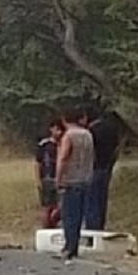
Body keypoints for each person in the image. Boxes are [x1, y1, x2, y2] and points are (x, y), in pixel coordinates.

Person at [54, 108, 95, 261]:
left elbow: (64, 157)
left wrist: (58, 178)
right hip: (85, 178)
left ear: (65, 120)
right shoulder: (88, 135)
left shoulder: (69, 136)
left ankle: (69, 247)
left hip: (71, 180)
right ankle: (74, 246)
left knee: (69, 215)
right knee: (79, 216)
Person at [83, 107, 121, 231]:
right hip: (106, 167)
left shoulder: (90, 131)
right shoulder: (111, 128)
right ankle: (100, 225)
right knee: (102, 198)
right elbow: (117, 148)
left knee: (91, 199)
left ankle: (92, 228)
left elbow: (89, 151)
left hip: (93, 168)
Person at [35, 119, 64, 228]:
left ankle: (54, 224)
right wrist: (38, 179)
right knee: (46, 206)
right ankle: (46, 227)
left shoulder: (64, 143)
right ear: (51, 129)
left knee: (59, 205)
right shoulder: (44, 145)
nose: (59, 132)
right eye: (57, 129)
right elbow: (37, 163)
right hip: (47, 178)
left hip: (60, 178)